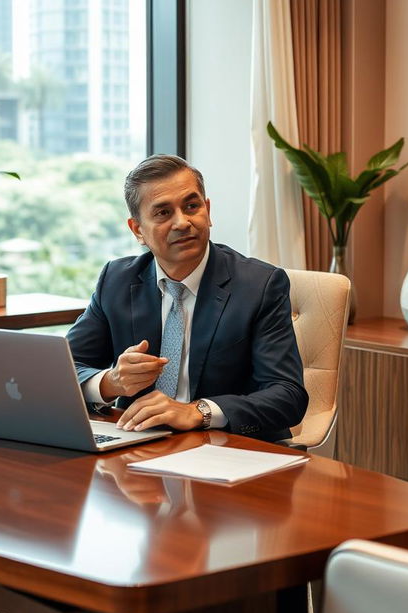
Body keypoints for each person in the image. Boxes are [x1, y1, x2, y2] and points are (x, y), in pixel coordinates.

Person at [67, 154, 308, 443]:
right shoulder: (116, 280)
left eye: (191, 206)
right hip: (140, 444)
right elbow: (62, 367)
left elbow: (287, 395)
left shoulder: (260, 285)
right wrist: (111, 382)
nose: (182, 222)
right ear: (138, 230)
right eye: (163, 213)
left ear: (207, 210)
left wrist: (198, 412)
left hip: (229, 449)